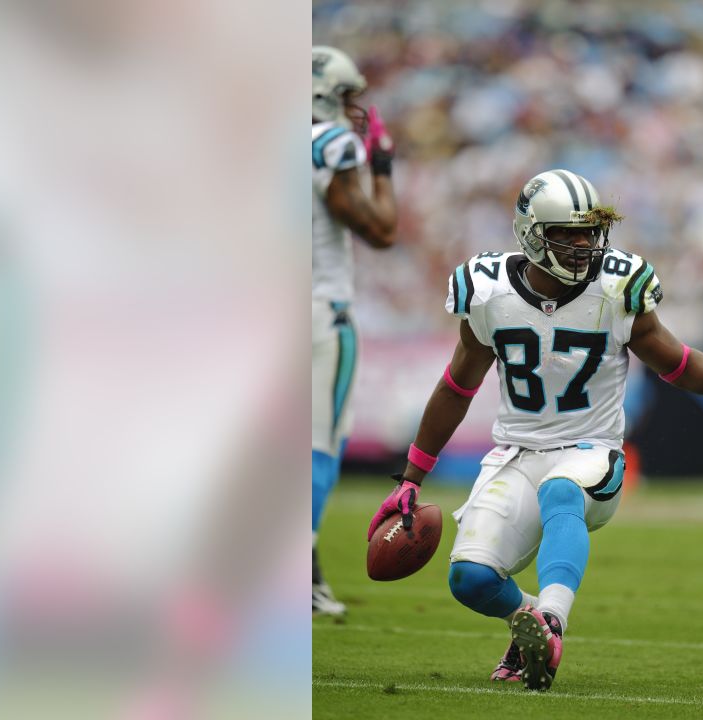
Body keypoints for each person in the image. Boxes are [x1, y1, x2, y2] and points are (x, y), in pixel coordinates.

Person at [366, 169, 703, 690]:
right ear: (530, 233)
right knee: (470, 579)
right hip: (518, 452)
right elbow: (457, 386)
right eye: (567, 233)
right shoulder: (488, 290)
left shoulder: (617, 287)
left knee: (561, 490)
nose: (583, 244)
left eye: (589, 232)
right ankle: (528, 629)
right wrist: (411, 477)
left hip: (593, 451)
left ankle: (552, 618)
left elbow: (674, 362)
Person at [312, 45, 398, 619]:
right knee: (318, 447)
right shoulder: (329, 143)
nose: (353, 109)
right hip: (320, 312)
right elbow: (379, 229)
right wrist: (382, 164)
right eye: (346, 96)